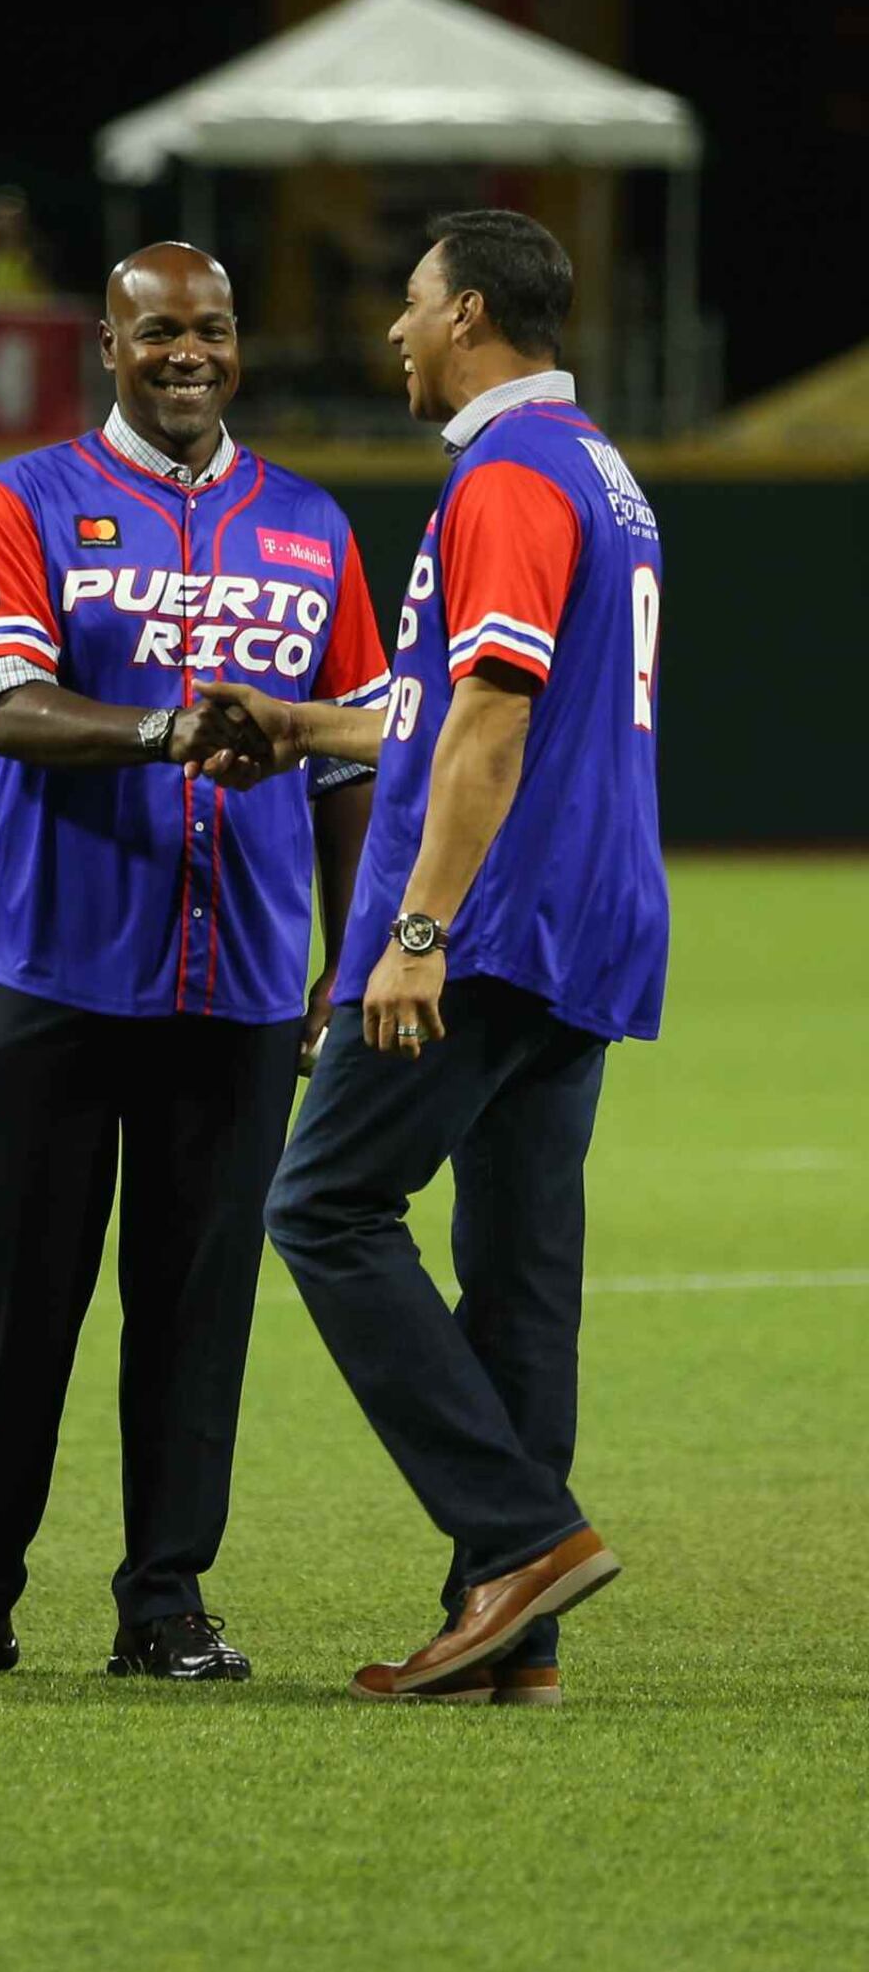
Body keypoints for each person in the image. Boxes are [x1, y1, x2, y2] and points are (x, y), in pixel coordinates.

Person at [0, 242, 391, 1684]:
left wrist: (351, 958)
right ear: (108, 344)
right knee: (16, 1300)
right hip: (56, 974)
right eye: (159, 332)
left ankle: (167, 1604)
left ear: (237, 344)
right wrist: (162, 728)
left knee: (197, 1309)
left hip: (247, 987)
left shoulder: (314, 525)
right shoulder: (26, 500)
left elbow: (354, 764)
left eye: (211, 328)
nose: (188, 353)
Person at [195, 211, 663, 1708]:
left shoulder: (509, 475)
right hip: (585, 920)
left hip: (493, 923)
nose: (393, 333)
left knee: (325, 1205)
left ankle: (518, 1536)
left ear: (467, 315)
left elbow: (495, 718)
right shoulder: (600, 468)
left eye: (409, 306)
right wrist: (308, 729)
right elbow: (439, 698)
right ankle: (512, 1628)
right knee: (520, 1271)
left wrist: (413, 932)